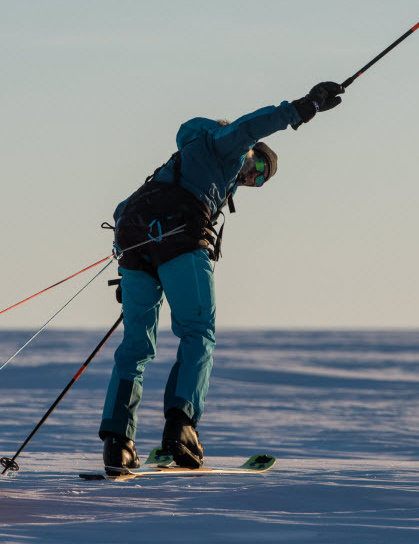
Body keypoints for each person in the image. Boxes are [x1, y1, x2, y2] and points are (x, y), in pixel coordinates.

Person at [99, 80, 345, 470]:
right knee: (198, 333)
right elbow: (250, 126)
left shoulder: (176, 164)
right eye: (259, 167)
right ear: (251, 154)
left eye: (261, 180)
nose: (253, 177)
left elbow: (122, 209)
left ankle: (118, 442)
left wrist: (134, 267)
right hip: (180, 235)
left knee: (135, 347)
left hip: (133, 240)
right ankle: (181, 428)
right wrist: (302, 108)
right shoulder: (225, 145)